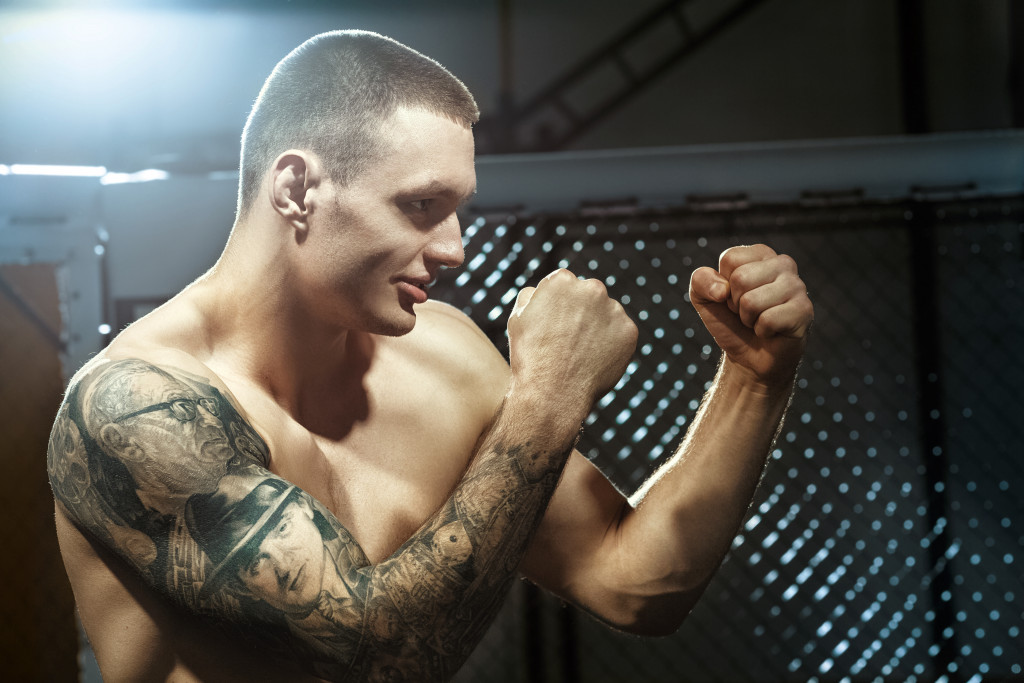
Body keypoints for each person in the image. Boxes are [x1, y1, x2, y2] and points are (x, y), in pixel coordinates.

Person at [47, 29, 813, 682]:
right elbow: (371, 655)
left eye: (457, 210)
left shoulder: (444, 354)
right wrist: (546, 399)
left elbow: (636, 583)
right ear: (296, 188)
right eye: (421, 206)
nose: (454, 247)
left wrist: (754, 379)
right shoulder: (136, 404)